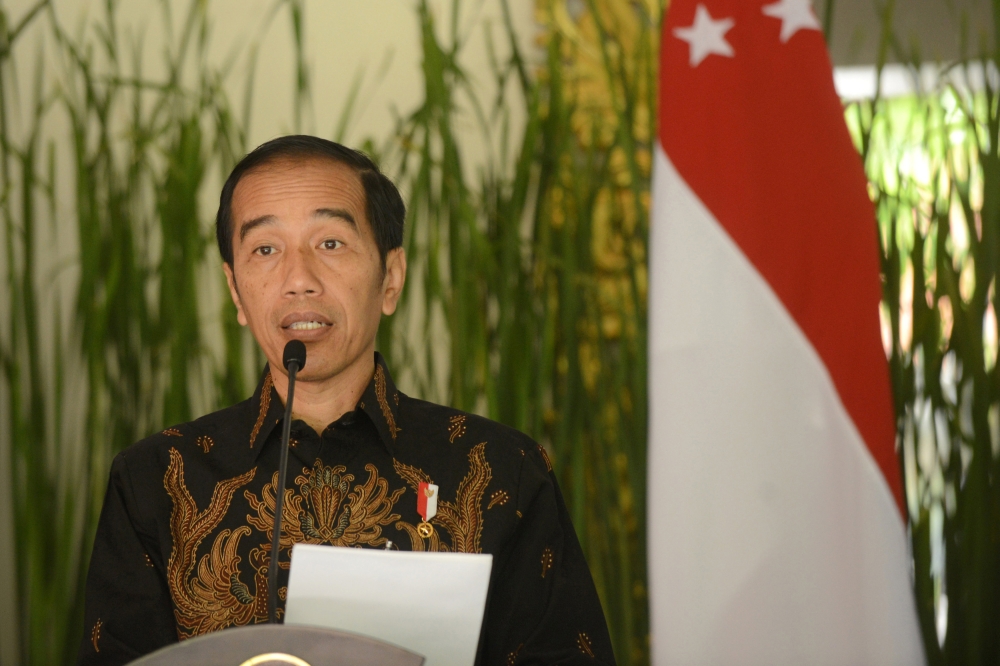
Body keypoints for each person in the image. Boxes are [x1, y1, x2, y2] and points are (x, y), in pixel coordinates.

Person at [76, 135, 615, 665]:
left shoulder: (500, 471)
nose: (299, 280)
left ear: (391, 278)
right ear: (236, 291)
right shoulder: (156, 480)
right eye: (265, 249)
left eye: (330, 243)